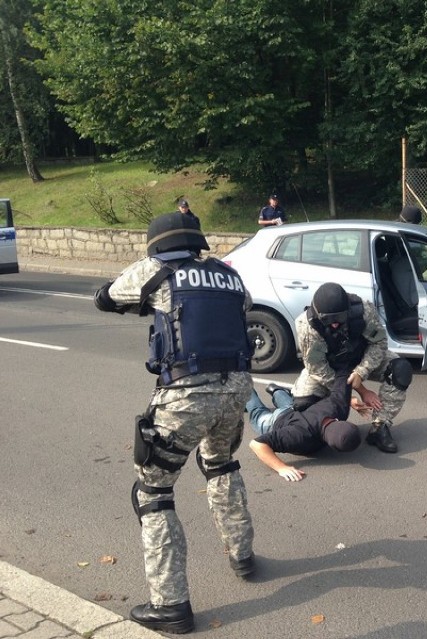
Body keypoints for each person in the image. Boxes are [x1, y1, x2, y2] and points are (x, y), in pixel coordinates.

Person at [93, 212, 256, 634]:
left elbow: (106, 297)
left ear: (157, 244)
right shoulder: (229, 276)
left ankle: (171, 606)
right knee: (221, 463)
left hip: (187, 394)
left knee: (153, 491)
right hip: (237, 391)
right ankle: (242, 555)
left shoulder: (158, 271)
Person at [292, 282, 413, 453]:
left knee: (400, 370)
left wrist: (361, 371)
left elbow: (379, 343)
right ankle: (323, 428)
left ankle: (380, 426)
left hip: (360, 358)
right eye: (328, 320)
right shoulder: (306, 325)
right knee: (303, 404)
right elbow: (317, 367)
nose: (334, 325)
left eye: (339, 319)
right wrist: (352, 394)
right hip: (330, 367)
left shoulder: (363, 310)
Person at [246, 372, 381, 481]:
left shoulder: (338, 409)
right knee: (257, 411)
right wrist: (282, 468)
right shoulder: (299, 436)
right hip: (276, 421)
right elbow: (257, 444)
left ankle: (277, 391)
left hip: (295, 410)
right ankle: (246, 387)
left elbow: (344, 375)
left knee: (289, 405)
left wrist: (353, 397)